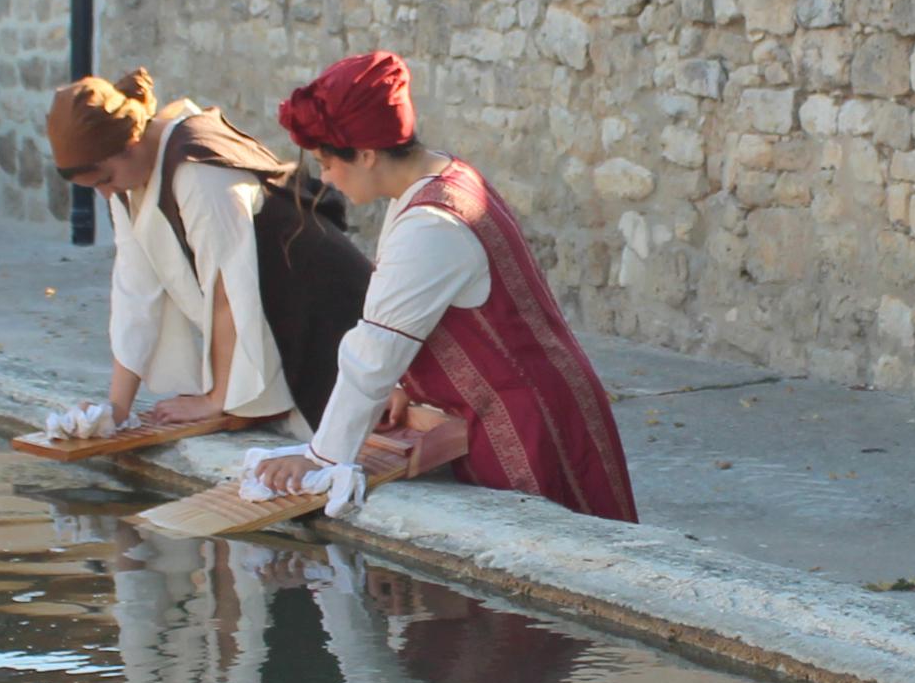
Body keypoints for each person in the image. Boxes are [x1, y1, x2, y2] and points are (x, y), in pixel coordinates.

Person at [243, 49, 638, 524]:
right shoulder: (444, 176)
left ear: (366, 155)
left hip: (528, 425)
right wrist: (403, 388)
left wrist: (322, 458)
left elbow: (374, 352)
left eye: (327, 163)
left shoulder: (430, 224)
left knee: (559, 558)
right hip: (534, 403)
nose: (325, 178)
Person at [40, 70, 369, 442]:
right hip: (284, 311)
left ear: (131, 143)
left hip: (325, 309)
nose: (105, 193)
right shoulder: (126, 181)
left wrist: (217, 399)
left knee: (344, 433)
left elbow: (229, 288)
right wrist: (116, 410)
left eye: (104, 179)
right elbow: (134, 291)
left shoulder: (199, 170)